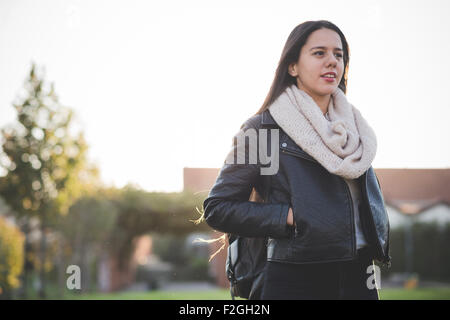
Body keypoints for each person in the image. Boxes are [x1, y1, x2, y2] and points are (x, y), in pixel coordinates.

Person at [202, 20, 391, 300]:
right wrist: (288, 217)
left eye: (339, 55)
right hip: (295, 276)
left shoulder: (354, 132)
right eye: (319, 53)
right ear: (292, 66)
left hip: (359, 273)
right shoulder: (265, 130)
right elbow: (219, 208)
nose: (332, 62)